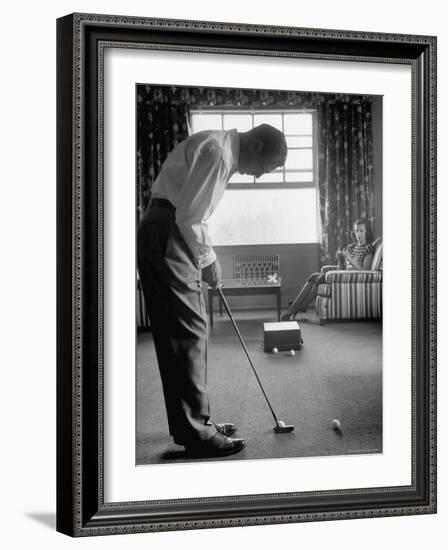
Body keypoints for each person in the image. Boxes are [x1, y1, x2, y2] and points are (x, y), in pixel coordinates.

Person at [137, 124, 287, 458]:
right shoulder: (220, 153)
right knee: (189, 333)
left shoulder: (219, 146)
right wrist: (209, 260)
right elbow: (190, 217)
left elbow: (189, 211)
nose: (261, 176)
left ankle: (193, 425)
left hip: (163, 229)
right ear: (258, 145)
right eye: (267, 168)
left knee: (183, 334)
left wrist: (203, 257)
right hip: (168, 232)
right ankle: (198, 434)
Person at [281, 219, 374, 321]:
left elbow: (366, 271)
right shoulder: (351, 247)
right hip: (343, 277)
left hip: (353, 279)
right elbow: (341, 269)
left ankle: (294, 309)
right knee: (314, 276)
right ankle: (300, 306)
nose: (358, 234)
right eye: (356, 231)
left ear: (367, 232)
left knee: (319, 277)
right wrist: (340, 259)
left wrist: (350, 259)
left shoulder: (368, 248)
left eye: (361, 231)